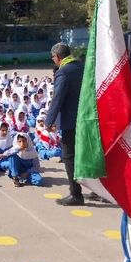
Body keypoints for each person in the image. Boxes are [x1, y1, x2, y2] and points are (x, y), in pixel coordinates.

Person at [45, 42, 84, 206]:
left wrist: (48, 121)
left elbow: (57, 99)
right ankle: (99, 190)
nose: (53, 60)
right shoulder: (81, 67)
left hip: (70, 122)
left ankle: (75, 194)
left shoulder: (64, 73)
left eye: (53, 57)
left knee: (69, 157)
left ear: (58, 57)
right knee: (87, 155)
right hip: (86, 119)